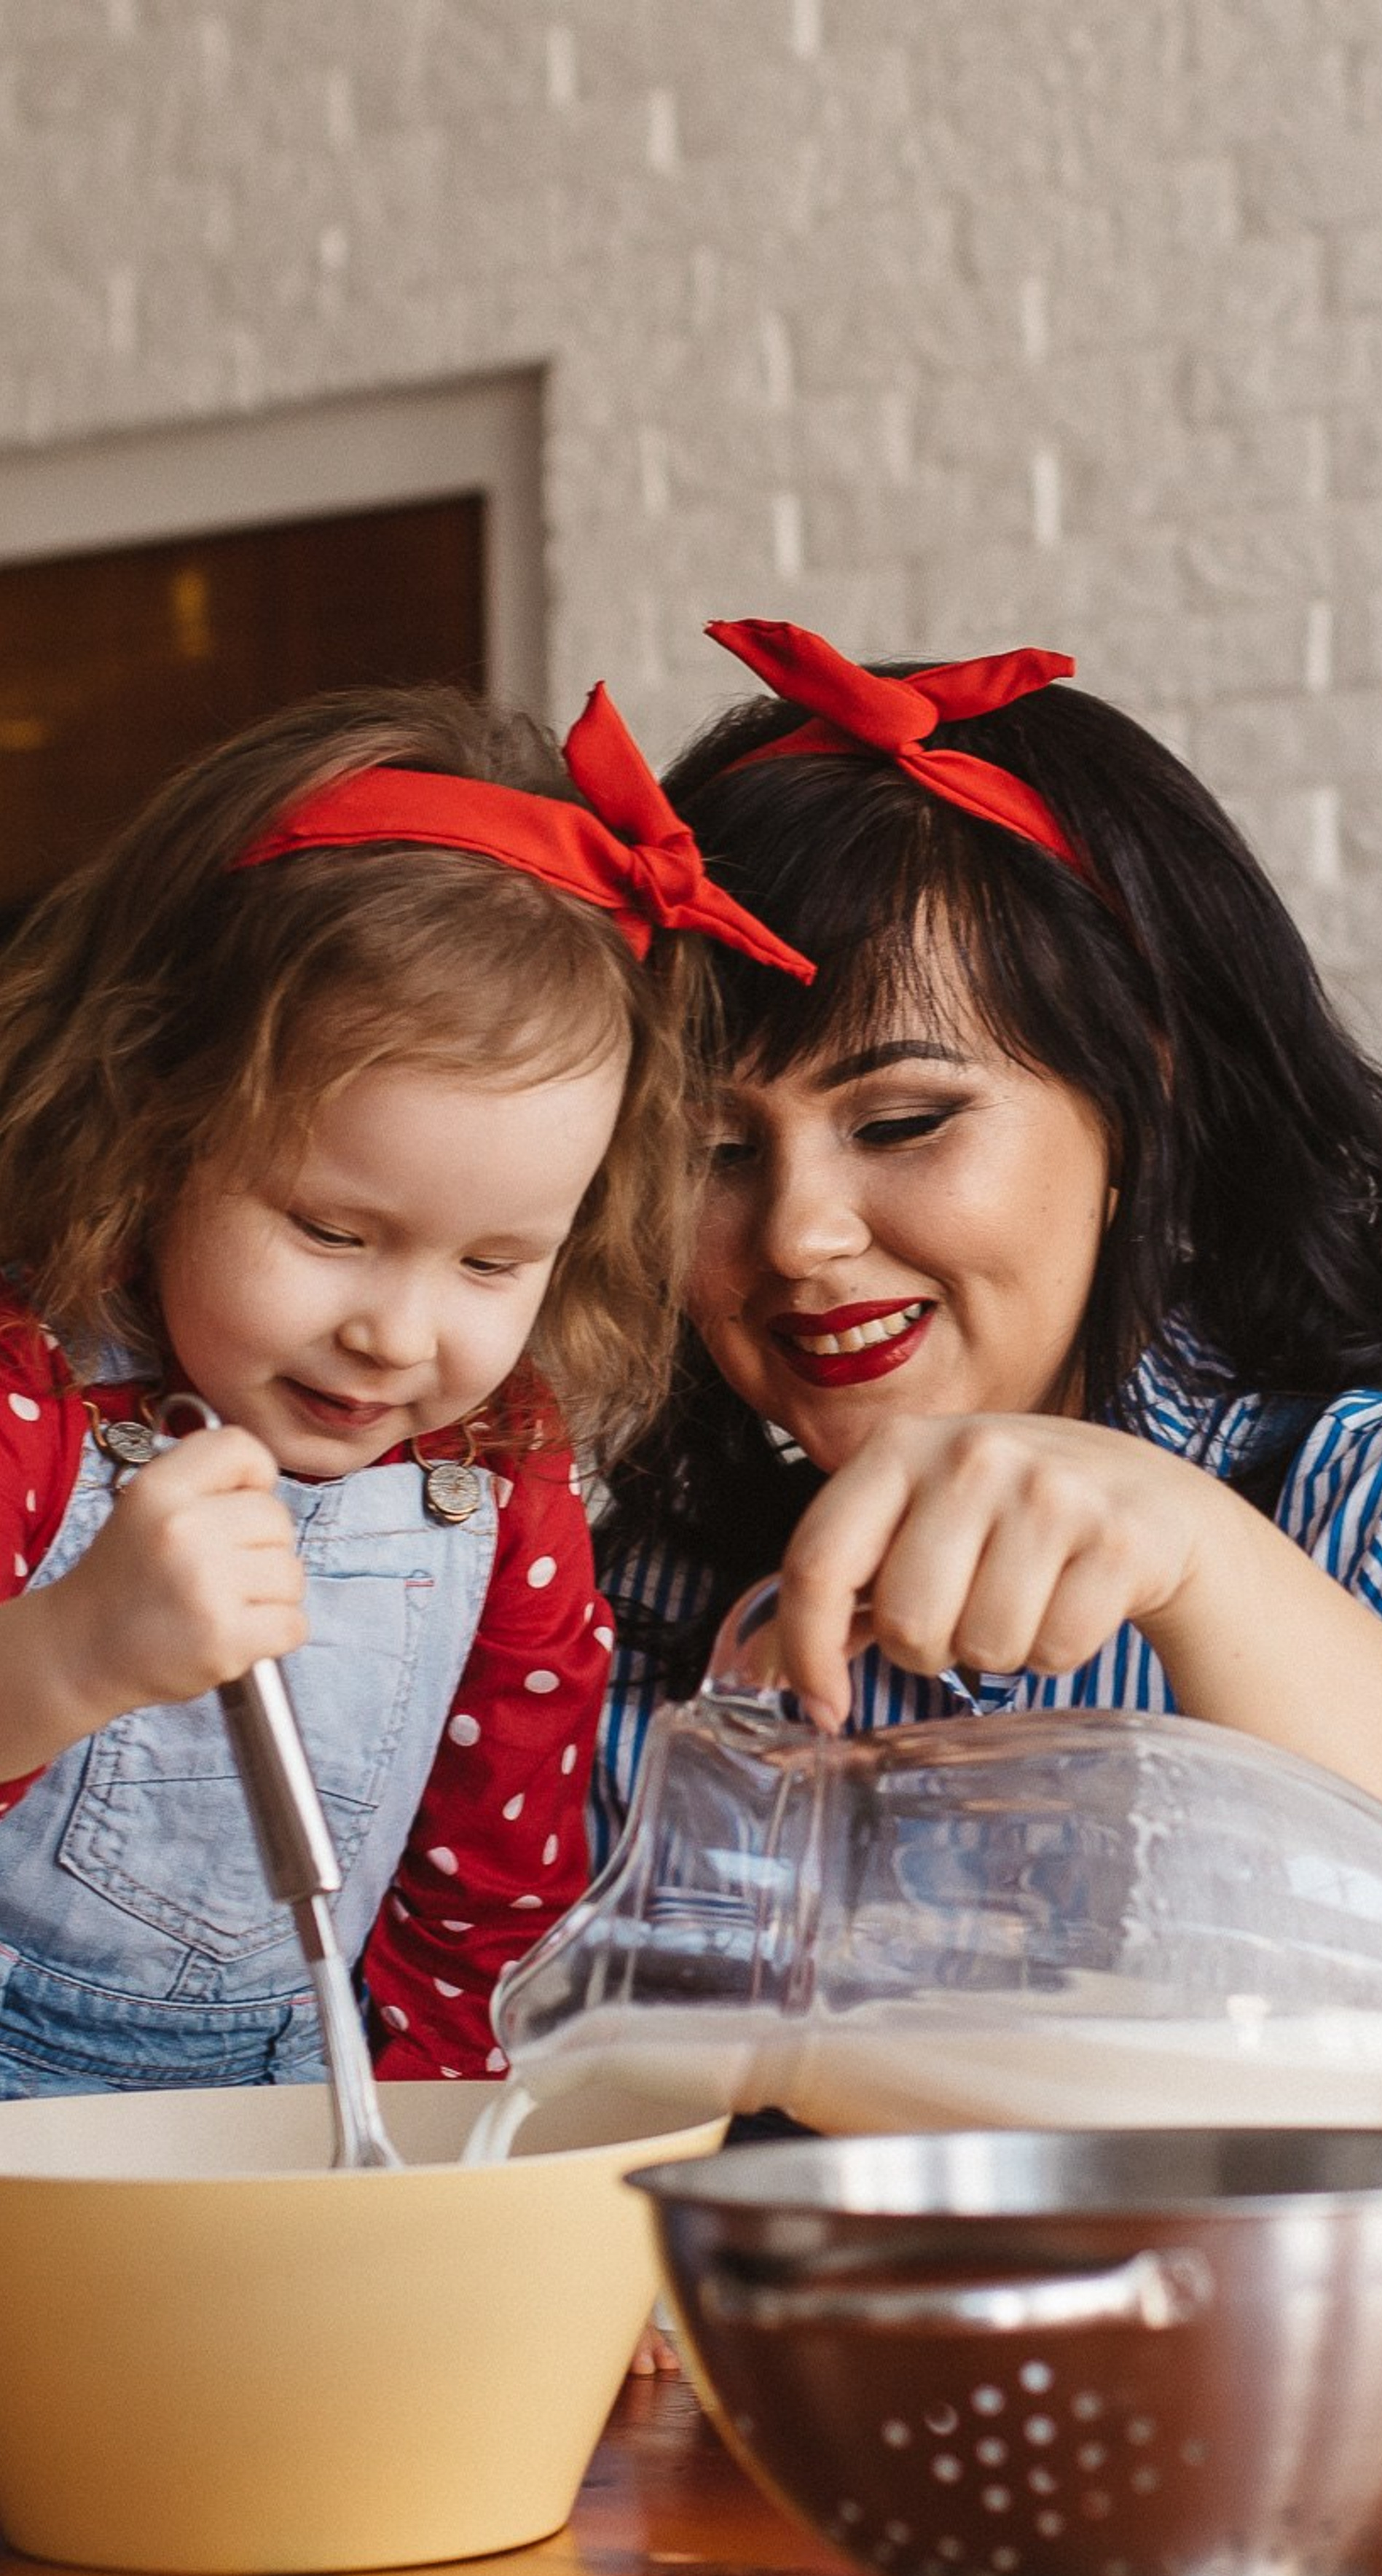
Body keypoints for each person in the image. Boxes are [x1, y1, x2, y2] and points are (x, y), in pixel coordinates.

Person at [592, 615, 1382, 2426]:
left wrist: (1199, 1558)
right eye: (715, 1153)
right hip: (1026, 2569)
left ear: (1139, 1096)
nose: (797, 1232)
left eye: (903, 1118)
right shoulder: (661, 1603)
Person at [0, 676, 809, 2095]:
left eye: (493, 1264)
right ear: (150, 1122)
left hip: (290, 2132)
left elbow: (482, 1911)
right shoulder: (30, 1399)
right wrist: (68, 1657)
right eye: (330, 1232)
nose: (396, 1332)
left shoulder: (493, 1473)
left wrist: (425, 2183)